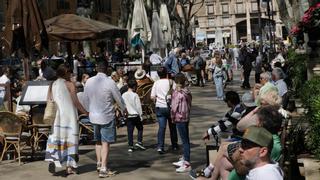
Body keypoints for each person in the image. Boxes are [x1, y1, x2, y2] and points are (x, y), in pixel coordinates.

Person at [83, 61, 126, 178]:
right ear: (107, 69)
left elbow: (85, 98)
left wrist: (88, 111)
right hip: (106, 115)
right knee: (105, 142)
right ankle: (103, 168)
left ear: (97, 68)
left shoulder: (89, 81)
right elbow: (118, 97)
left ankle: (99, 163)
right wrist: (124, 109)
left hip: (93, 115)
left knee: (97, 141)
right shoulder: (110, 82)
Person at [45, 64, 88, 175]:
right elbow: (76, 102)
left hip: (57, 117)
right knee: (70, 140)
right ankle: (70, 167)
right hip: (69, 117)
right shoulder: (70, 85)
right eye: (70, 72)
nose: (71, 75)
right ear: (66, 73)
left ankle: (53, 160)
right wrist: (86, 112)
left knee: (56, 138)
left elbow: (49, 100)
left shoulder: (52, 84)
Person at [150, 67, 178, 154]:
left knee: (162, 128)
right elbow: (176, 93)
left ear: (158, 75)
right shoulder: (171, 82)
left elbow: (152, 96)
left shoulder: (156, 83)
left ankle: (160, 146)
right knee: (172, 127)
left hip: (160, 107)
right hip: (170, 107)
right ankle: (174, 145)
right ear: (166, 73)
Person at [171, 73, 192, 173]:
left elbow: (174, 107)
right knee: (185, 139)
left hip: (179, 117)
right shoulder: (187, 91)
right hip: (186, 117)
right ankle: (185, 158)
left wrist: (172, 116)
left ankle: (187, 163)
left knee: (184, 141)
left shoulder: (177, 93)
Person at [122, 79, 145, 152]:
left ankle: (130, 146)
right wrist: (141, 115)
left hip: (128, 115)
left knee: (130, 131)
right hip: (136, 115)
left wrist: (123, 114)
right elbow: (138, 106)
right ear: (135, 86)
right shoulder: (135, 95)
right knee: (140, 128)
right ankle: (139, 142)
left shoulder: (124, 95)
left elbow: (123, 105)